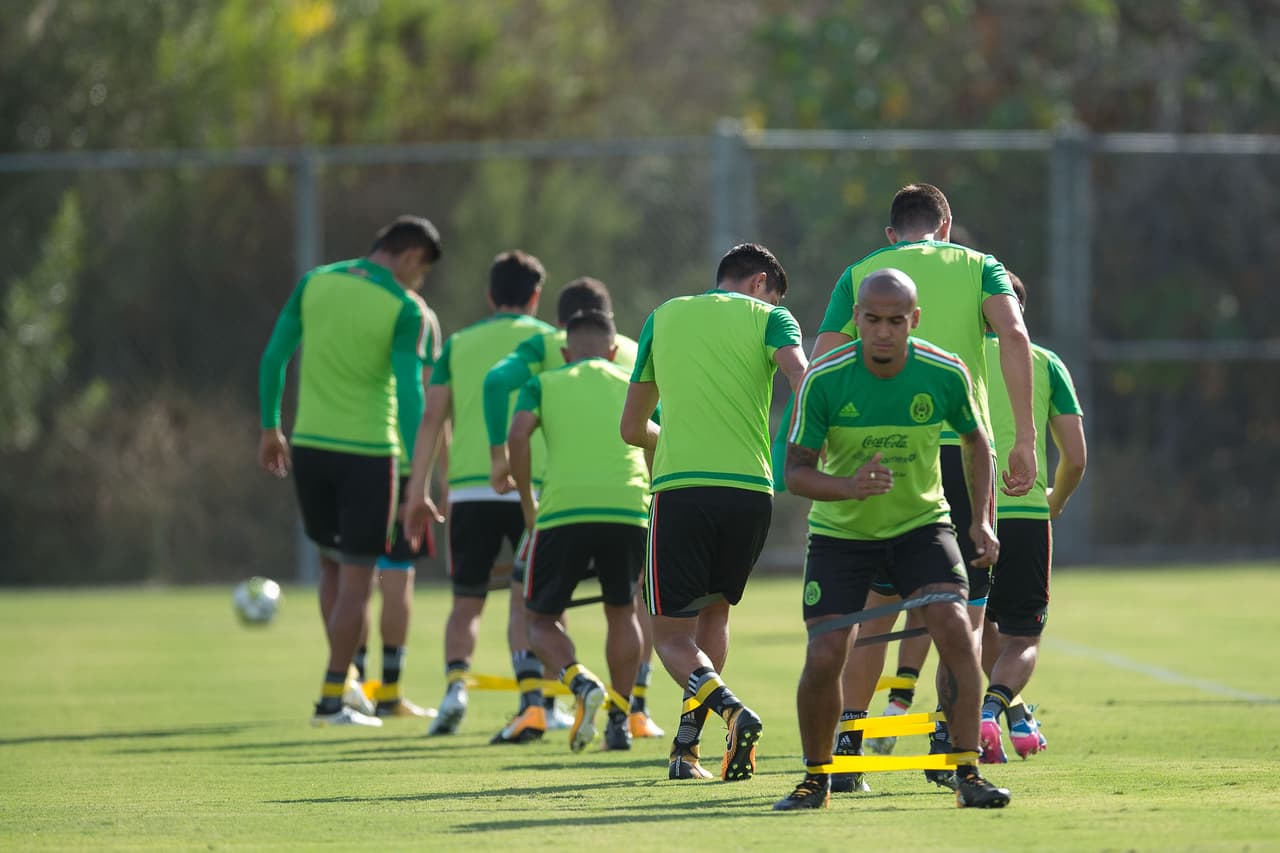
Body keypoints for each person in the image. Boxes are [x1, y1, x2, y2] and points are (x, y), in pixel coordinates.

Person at [787, 183, 1037, 785]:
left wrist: (835, 455)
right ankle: (952, 753)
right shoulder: (982, 267)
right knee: (964, 616)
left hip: (881, 456)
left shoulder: (863, 273)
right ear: (946, 228)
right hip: (957, 455)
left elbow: (819, 366)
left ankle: (847, 745)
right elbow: (1016, 336)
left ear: (892, 234)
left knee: (870, 615)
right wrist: (1025, 436)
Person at [620, 242, 806, 782]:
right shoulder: (774, 318)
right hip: (751, 491)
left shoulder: (663, 316)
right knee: (715, 615)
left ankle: (730, 711)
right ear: (759, 284)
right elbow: (804, 378)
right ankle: (686, 750)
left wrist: (670, 434)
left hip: (682, 490)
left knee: (671, 636)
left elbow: (632, 429)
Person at [258, 215, 441, 726]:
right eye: (420, 271)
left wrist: (270, 427)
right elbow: (410, 395)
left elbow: (275, 356)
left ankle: (349, 684)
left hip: (309, 447)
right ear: (410, 257)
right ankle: (332, 699)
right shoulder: (404, 308)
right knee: (360, 579)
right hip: (369, 455)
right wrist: (418, 479)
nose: (417, 282)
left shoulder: (315, 282)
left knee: (332, 569)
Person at [484, 276, 664, 739]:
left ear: (566, 352)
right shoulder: (633, 380)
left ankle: (579, 680)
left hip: (562, 511)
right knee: (622, 612)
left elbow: (518, 435)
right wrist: (649, 489)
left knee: (539, 619)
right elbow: (656, 437)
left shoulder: (544, 382)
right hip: (629, 508)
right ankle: (621, 721)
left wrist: (527, 501)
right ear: (611, 352)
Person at [400, 250, 556, 741]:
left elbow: (432, 419)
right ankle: (540, 702)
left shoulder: (461, 343)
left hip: (469, 491)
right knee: (536, 604)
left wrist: (418, 489)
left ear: (490, 296)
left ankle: (453, 691)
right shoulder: (552, 343)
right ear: (536, 296)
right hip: (533, 486)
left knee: (466, 602)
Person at [978, 272, 1086, 762]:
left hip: (962, 506)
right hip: (1023, 513)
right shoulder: (1046, 363)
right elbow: (1076, 457)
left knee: (976, 624)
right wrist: (1055, 501)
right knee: (1021, 634)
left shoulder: (950, 359)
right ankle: (991, 712)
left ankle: (1011, 718)